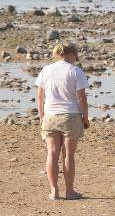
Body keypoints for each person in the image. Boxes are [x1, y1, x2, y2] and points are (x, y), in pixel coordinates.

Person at [35, 42, 90, 200]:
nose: (76, 59)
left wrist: (41, 116)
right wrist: (85, 117)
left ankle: (54, 191)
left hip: (50, 115)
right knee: (68, 155)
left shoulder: (46, 69)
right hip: (71, 115)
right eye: (76, 56)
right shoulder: (75, 71)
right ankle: (70, 191)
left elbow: (40, 97)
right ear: (71, 54)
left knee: (51, 154)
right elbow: (82, 98)